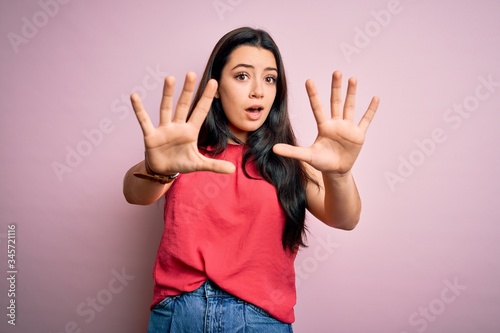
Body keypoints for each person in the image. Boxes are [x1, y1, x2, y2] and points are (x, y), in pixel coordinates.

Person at [123, 26, 379, 333]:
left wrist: (339, 173)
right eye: (242, 76)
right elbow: (134, 192)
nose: (258, 90)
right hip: (180, 314)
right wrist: (159, 168)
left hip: (259, 319)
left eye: (269, 78)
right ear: (216, 87)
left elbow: (345, 218)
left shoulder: (290, 159)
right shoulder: (185, 154)